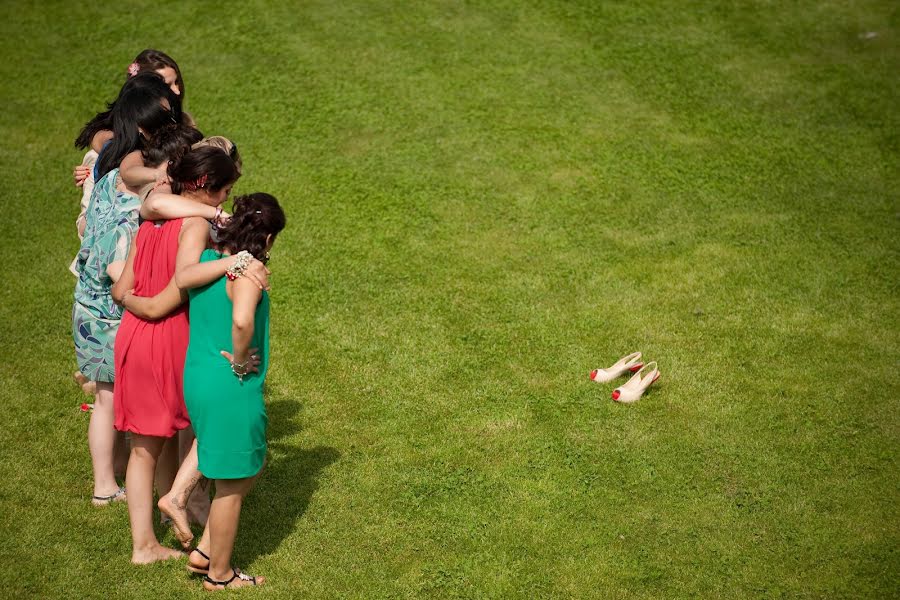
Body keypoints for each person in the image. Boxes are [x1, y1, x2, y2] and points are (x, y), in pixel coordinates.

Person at [111, 145, 251, 564]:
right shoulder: (193, 227)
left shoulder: (149, 222)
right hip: (165, 336)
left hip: (131, 335)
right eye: (225, 191)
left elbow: (122, 289)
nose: (225, 199)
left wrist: (134, 304)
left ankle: (163, 525)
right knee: (152, 444)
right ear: (207, 186)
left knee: (152, 440)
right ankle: (145, 545)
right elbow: (173, 294)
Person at [71, 79, 189, 507]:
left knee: (106, 398)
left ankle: (108, 480)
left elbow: (86, 231)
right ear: (143, 130)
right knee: (121, 404)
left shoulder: (105, 174)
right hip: (113, 310)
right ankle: (120, 484)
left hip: (86, 305)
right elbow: (124, 269)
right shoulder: (135, 201)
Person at [182, 192, 286, 590]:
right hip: (231, 385)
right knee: (229, 487)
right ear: (269, 238)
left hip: (199, 378)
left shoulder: (209, 261)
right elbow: (242, 321)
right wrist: (241, 360)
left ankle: (205, 552)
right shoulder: (248, 272)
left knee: (247, 466)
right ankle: (220, 576)